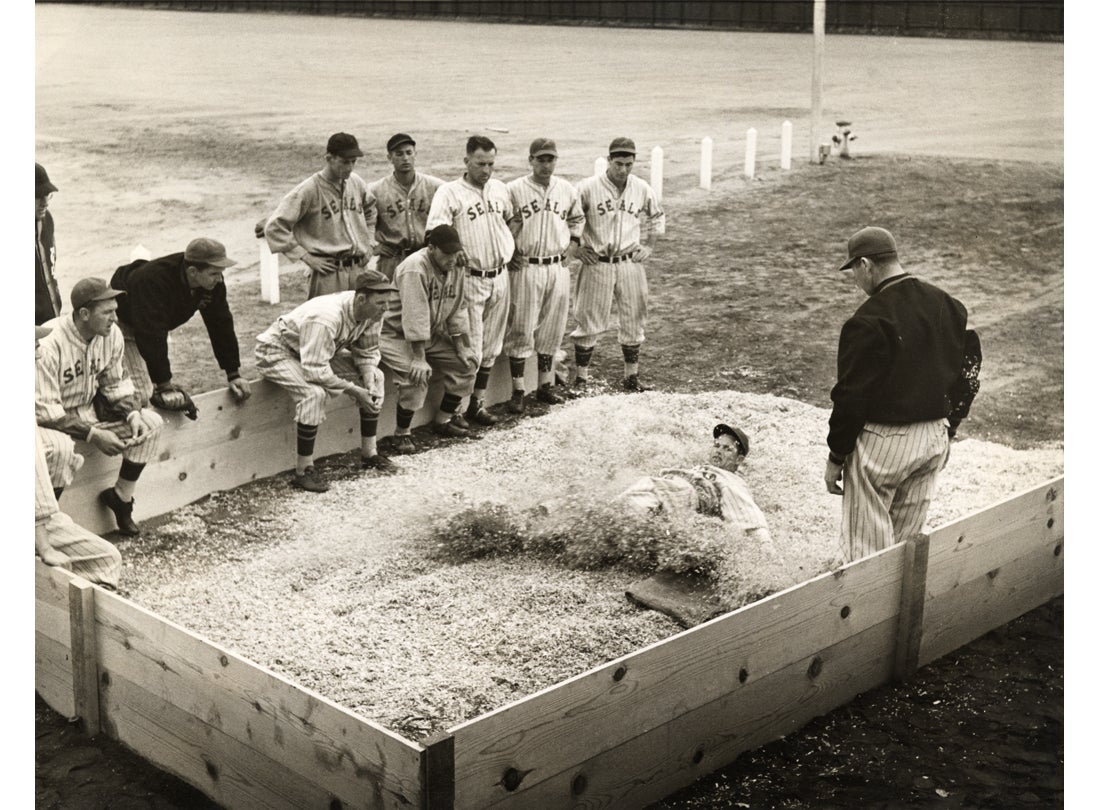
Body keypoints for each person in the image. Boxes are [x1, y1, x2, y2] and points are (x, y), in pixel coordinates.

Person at [824, 226, 981, 562]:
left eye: (853, 270)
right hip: (934, 440)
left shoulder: (866, 320)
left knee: (868, 556)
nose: (855, 279)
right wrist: (949, 426)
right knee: (904, 551)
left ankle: (869, 614)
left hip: (884, 446)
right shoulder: (949, 304)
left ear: (866, 264)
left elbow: (850, 397)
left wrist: (836, 456)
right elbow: (969, 371)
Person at [36, 278, 165, 537]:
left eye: (115, 310)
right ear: (84, 314)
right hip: (48, 422)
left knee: (150, 423)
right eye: (107, 312)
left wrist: (131, 413)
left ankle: (121, 497)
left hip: (87, 414)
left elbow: (115, 383)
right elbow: (45, 411)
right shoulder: (50, 343)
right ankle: (44, 526)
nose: (115, 318)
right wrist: (95, 435)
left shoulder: (110, 335)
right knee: (61, 451)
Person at [254, 270, 399, 493]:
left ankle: (370, 453)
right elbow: (314, 371)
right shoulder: (326, 317)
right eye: (380, 303)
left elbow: (367, 351)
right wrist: (354, 390)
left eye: (387, 302)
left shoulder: (372, 314)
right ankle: (304, 471)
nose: (385, 308)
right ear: (361, 299)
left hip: (316, 352)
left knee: (377, 376)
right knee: (313, 394)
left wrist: (368, 377)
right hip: (278, 351)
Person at [425, 135, 517, 427]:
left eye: (491, 163)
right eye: (480, 163)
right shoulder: (449, 192)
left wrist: (510, 247)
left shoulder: (500, 189)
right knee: (473, 346)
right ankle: (456, 411)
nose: (486, 170)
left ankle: (477, 404)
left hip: (500, 275)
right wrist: (457, 248)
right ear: (466, 161)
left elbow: (512, 219)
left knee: (492, 345)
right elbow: (435, 230)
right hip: (470, 278)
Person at [110, 237, 251, 413]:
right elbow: (150, 334)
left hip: (154, 322)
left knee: (151, 382)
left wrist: (233, 373)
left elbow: (220, 323)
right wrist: (164, 384)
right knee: (141, 393)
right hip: (123, 323)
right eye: (214, 273)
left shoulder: (212, 283)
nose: (220, 279)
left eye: (221, 272)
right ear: (193, 271)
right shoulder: (153, 281)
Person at [572, 137, 665, 392]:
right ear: (609, 160)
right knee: (589, 318)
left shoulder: (640, 187)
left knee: (634, 317)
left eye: (628, 164)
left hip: (629, 261)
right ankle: (581, 379)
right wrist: (577, 249)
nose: (623, 169)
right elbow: (569, 217)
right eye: (619, 163)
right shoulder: (588, 187)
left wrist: (649, 246)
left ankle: (631, 377)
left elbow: (656, 216)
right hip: (598, 262)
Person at [378, 224, 478, 453]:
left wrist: (461, 346)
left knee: (467, 363)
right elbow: (415, 315)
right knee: (416, 376)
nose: (452, 258)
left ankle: (443, 421)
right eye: (447, 253)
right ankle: (401, 434)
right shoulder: (415, 268)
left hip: (428, 332)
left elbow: (458, 308)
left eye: (455, 252)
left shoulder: (456, 265)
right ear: (431, 248)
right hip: (394, 334)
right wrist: (419, 358)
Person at [502, 138, 585, 413]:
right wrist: (508, 251)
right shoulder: (513, 189)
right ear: (531, 160)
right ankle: (518, 391)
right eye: (541, 159)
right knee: (522, 327)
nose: (546, 164)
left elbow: (577, 219)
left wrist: (573, 246)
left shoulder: (566, 189)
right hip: (526, 266)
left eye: (551, 159)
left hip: (556, 266)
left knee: (553, 327)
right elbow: (501, 224)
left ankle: (545, 385)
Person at [262, 132, 377, 299]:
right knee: (326, 321)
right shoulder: (308, 189)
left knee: (359, 321)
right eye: (345, 162)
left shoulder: (356, 182)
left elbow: (371, 210)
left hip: (358, 269)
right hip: (328, 272)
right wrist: (305, 256)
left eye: (354, 162)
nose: (350, 168)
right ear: (329, 158)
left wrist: (370, 243)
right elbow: (274, 227)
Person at [617, 423, 772, 542]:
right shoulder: (703, 468)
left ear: (739, 460)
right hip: (677, 495)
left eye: (727, 449)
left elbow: (751, 519)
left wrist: (768, 552)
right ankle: (618, 524)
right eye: (716, 445)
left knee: (649, 486)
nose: (718, 450)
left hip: (689, 494)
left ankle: (614, 521)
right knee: (645, 493)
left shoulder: (731, 480)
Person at [368, 133, 445, 280]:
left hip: (425, 257)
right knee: (391, 300)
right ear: (389, 158)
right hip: (392, 259)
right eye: (399, 154)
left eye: (409, 153)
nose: (405, 158)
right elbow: (361, 220)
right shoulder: (376, 190)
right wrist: (372, 247)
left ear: (415, 154)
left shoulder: (435, 186)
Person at [36, 163, 63, 326]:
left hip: (52, 320)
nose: (45, 203)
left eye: (48, 195)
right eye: (39, 196)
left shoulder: (47, 220)